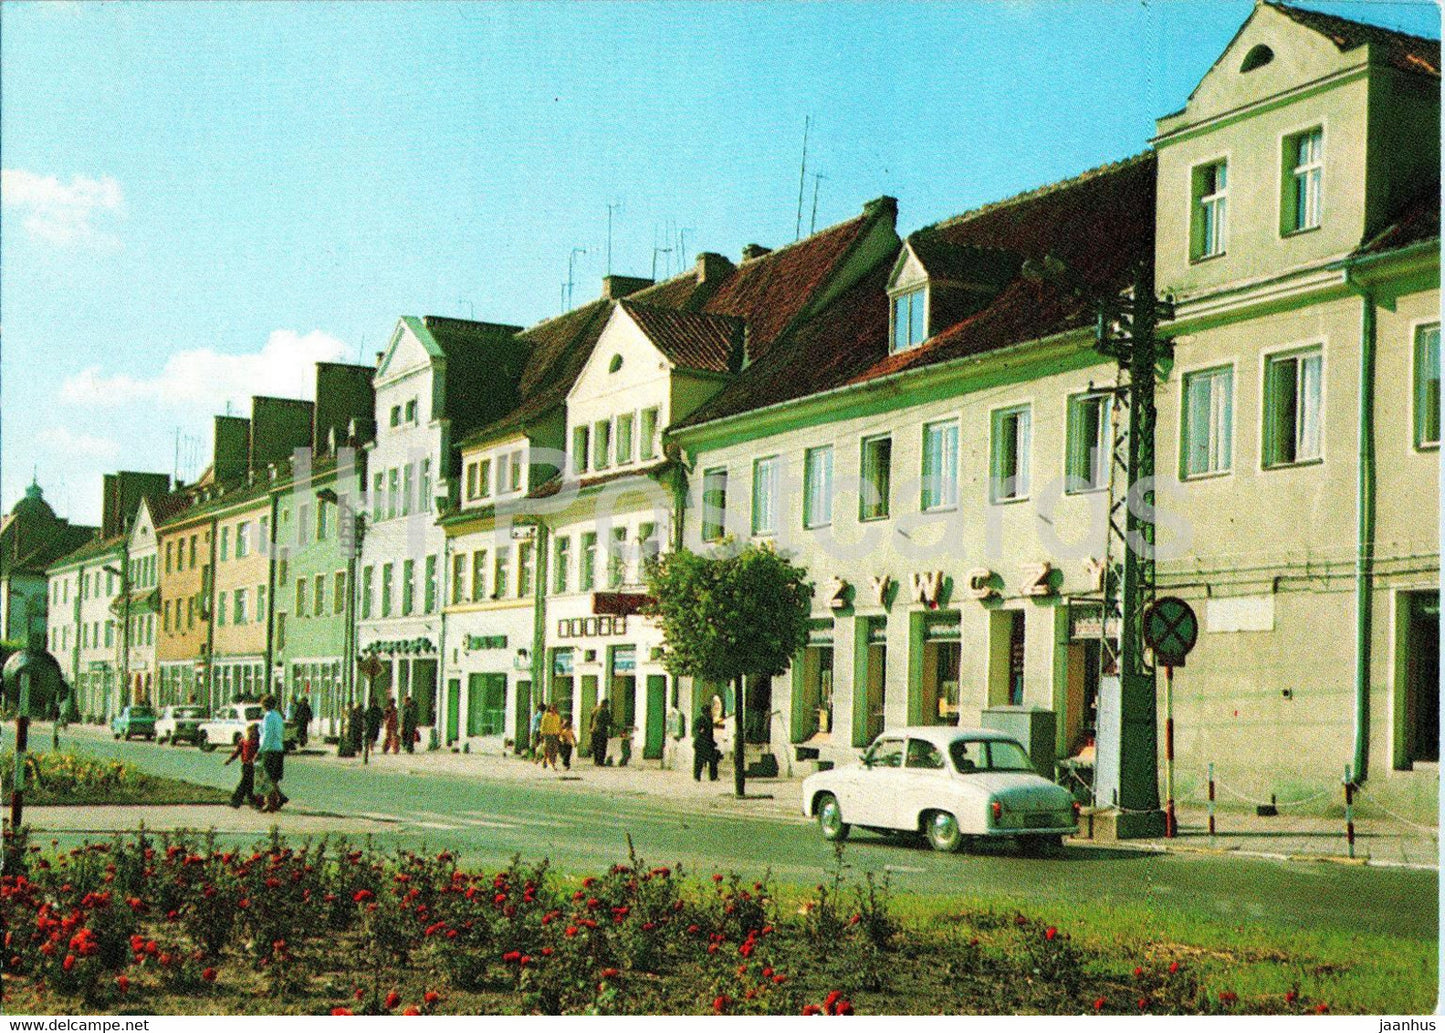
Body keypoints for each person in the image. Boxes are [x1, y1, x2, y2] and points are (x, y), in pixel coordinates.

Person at [258, 695, 289, 813]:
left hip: (269, 749)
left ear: (265, 705)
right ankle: (280, 797)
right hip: (278, 748)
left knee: (267, 777)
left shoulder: (268, 717)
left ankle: (270, 803)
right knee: (273, 777)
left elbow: (267, 735)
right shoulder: (278, 715)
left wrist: (261, 750)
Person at [225, 723, 261, 809]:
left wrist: (254, 760)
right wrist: (229, 760)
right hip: (246, 764)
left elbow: (259, 753)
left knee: (245, 783)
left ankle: (236, 801)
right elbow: (237, 752)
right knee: (248, 784)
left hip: (253, 765)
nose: (253, 733)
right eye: (252, 731)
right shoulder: (244, 741)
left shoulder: (257, 742)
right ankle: (252, 801)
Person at [693, 706, 719, 782]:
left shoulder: (710, 720)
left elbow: (710, 734)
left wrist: (713, 742)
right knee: (699, 761)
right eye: (708, 711)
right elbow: (695, 730)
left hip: (708, 744)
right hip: (700, 744)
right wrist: (699, 731)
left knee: (713, 760)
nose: (710, 713)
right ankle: (697, 777)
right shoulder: (699, 720)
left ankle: (713, 777)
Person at [589, 699, 612, 767]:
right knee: (602, 747)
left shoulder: (595, 709)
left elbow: (591, 719)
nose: (607, 706)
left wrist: (590, 728)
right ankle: (600, 761)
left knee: (596, 747)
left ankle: (596, 761)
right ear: (605, 704)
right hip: (601, 731)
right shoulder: (604, 711)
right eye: (607, 704)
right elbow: (608, 721)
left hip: (594, 731)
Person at [539, 704, 562, 770]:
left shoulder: (557, 716)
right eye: (552, 708)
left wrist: (560, 734)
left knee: (554, 749)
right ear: (550, 709)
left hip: (555, 734)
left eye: (555, 708)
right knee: (547, 748)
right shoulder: (546, 716)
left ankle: (552, 763)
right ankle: (545, 759)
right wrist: (542, 733)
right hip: (547, 734)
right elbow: (543, 725)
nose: (554, 710)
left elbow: (559, 726)